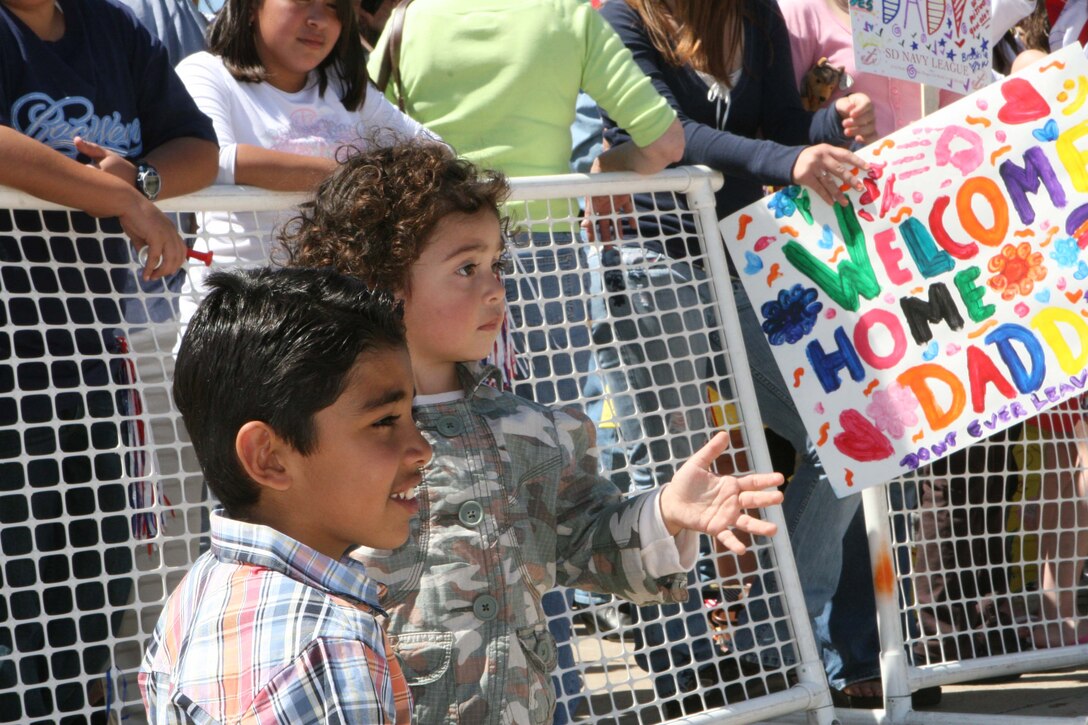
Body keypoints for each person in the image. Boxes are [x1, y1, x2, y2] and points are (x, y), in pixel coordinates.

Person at [283, 141, 786, 724]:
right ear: (385, 285)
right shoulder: (332, 436)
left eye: (498, 264)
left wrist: (664, 513)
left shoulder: (527, 428)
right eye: (466, 268)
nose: (495, 287)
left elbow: (584, 543)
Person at [594, 0, 872, 711]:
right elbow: (666, 136)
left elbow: (777, 127)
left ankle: (773, 644)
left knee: (849, 428)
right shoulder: (621, 17)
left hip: (749, 261)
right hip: (653, 258)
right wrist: (792, 157)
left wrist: (830, 127)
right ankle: (682, 668)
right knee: (672, 468)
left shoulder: (755, 12)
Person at [0, 0, 217, 721]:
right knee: (20, 594)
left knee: (96, 585)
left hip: (88, 351)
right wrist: (114, 196)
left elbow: (197, 146)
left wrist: (142, 184)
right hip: (11, 353)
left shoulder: (112, 28)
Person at [139, 266, 430, 724]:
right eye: (384, 421)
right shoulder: (329, 651)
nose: (423, 450)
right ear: (269, 457)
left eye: (411, 414)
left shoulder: (194, 595)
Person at [174, 0, 434, 320]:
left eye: (333, 7)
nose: (318, 20)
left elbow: (435, 152)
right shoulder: (206, 72)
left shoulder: (344, 85)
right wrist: (349, 178)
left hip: (335, 317)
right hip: (237, 316)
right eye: (301, 2)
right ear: (252, 7)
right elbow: (212, 160)